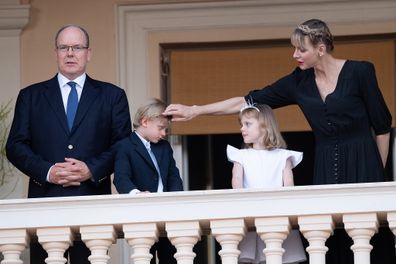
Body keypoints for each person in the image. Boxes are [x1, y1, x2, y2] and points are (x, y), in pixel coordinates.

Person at [163, 19, 394, 263]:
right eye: (294, 49)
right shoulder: (298, 82)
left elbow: (382, 126)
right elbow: (245, 102)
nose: (295, 55)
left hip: (365, 164)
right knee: (332, 241)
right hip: (326, 170)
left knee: (372, 240)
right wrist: (195, 110)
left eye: (301, 49)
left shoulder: (360, 72)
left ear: (321, 49)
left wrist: (377, 174)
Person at [6, 25, 132, 263]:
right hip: (45, 204)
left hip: (92, 204)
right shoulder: (31, 96)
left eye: (77, 47)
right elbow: (15, 145)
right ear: (56, 53)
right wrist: (49, 171)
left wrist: (91, 169)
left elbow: (123, 144)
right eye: (64, 47)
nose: (70, 53)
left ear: (88, 53)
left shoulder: (112, 96)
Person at [227, 104, 306, 264]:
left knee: (278, 256)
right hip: (250, 211)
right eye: (241, 124)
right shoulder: (240, 155)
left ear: (264, 126)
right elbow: (236, 181)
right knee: (251, 257)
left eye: (248, 124)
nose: (242, 128)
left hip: (277, 212)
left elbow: (289, 186)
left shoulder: (283, 156)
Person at [112, 98, 183, 264]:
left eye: (166, 129)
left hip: (167, 211)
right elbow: (121, 178)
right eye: (161, 128)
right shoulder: (125, 146)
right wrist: (136, 194)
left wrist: (176, 198)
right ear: (145, 121)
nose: (164, 134)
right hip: (141, 212)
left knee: (171, 256)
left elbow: (173, 176)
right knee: (145, 257)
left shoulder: (164, 147)